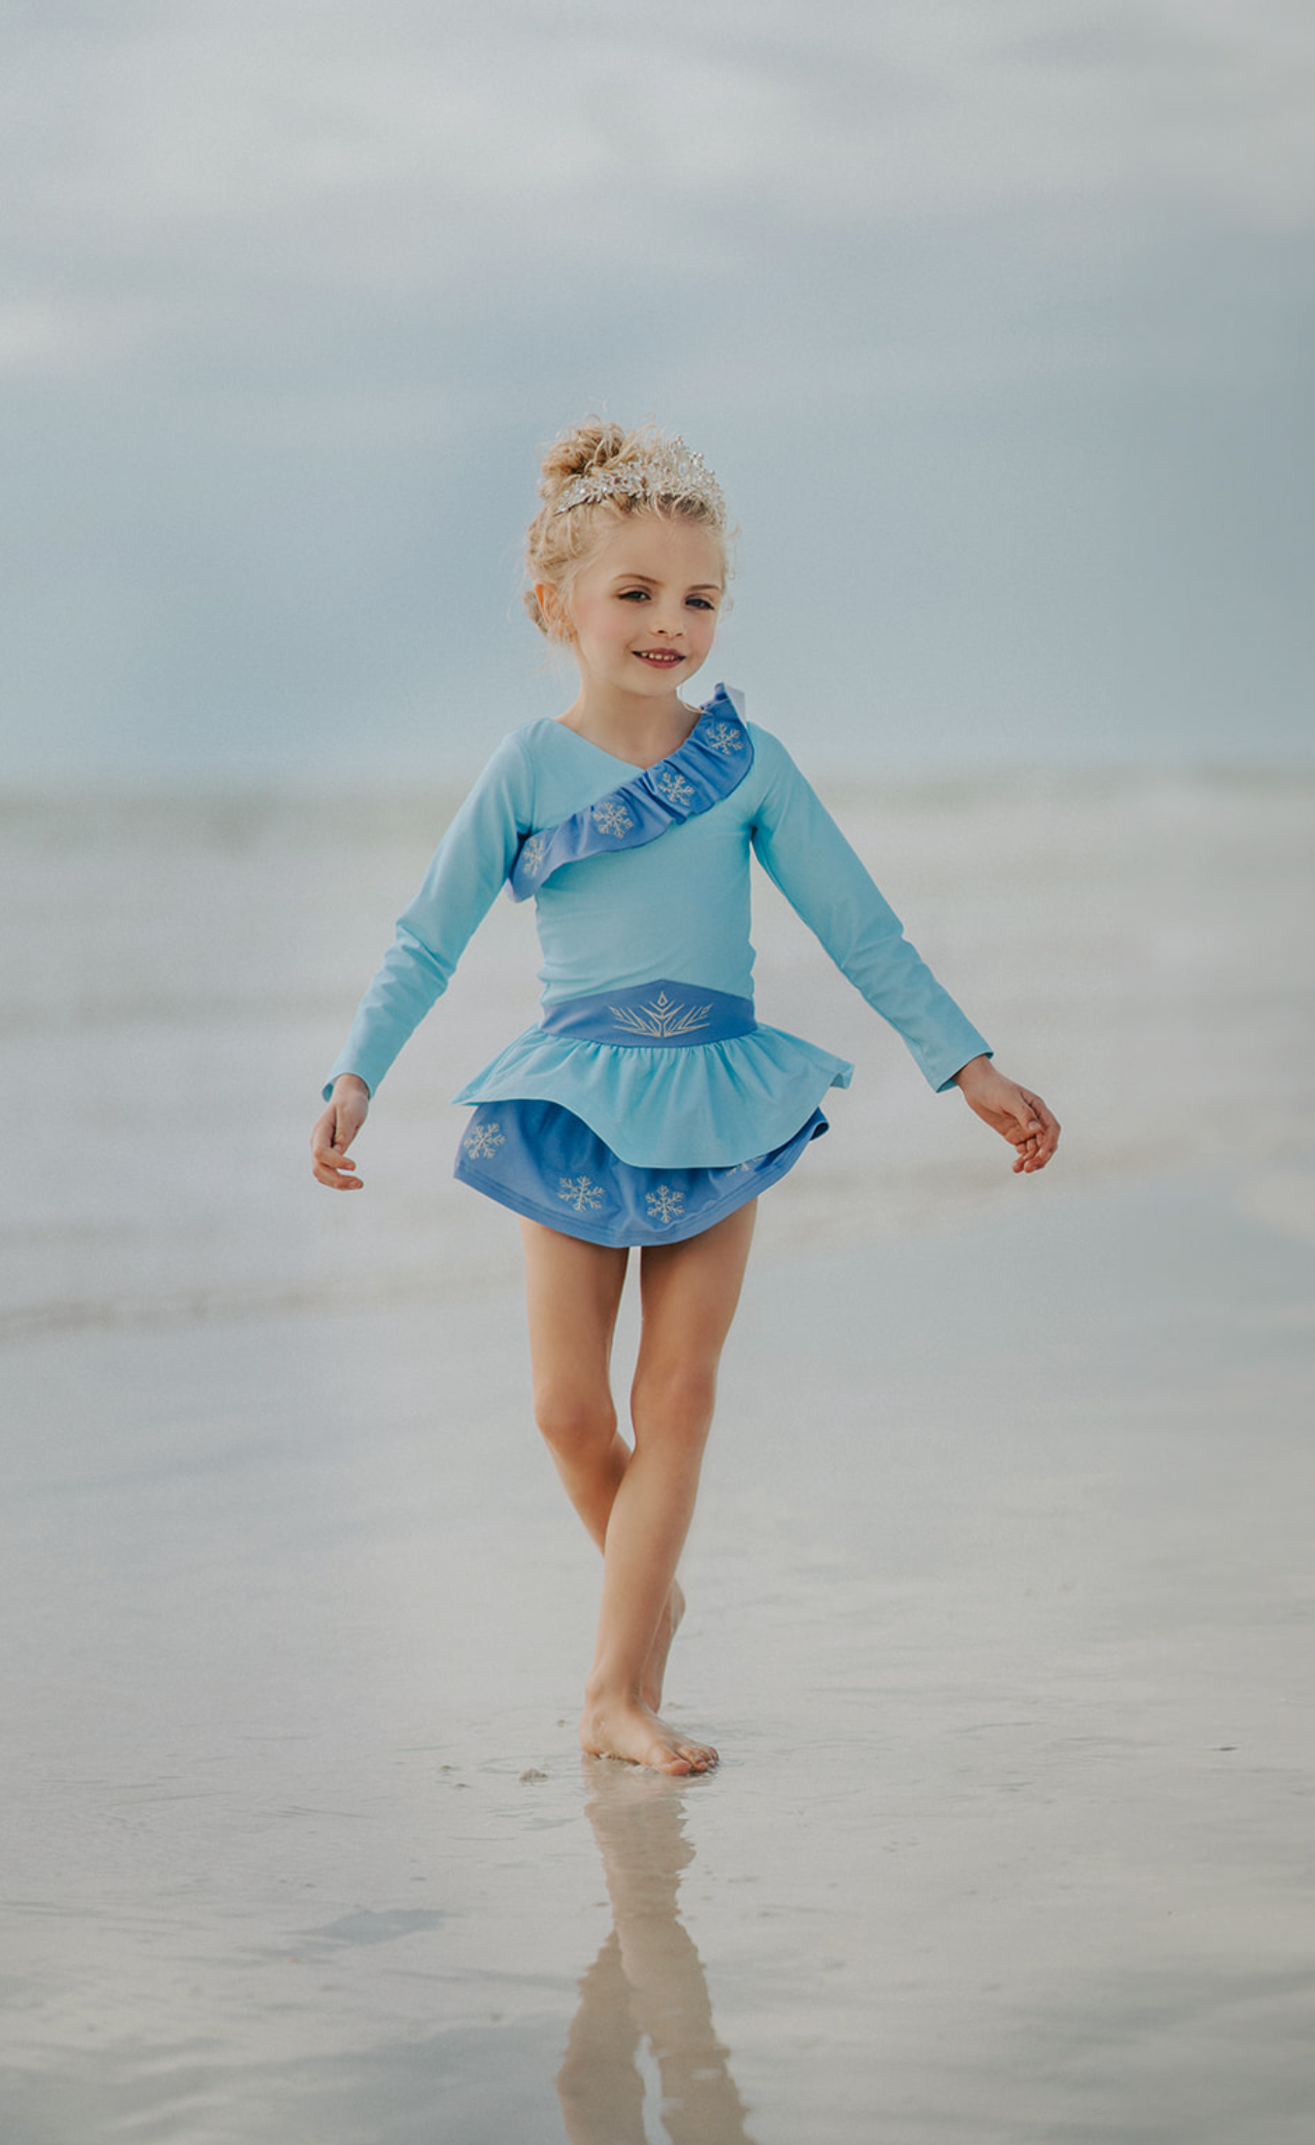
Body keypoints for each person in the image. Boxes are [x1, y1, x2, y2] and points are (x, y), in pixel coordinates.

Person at [311, 420, 1059, 1778]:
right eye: (638, 592)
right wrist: (357, 1073)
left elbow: (863, 929)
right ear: (558, 604)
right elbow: (428, 935)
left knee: (680, 1391)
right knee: (566, 1410)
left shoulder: (748, 763)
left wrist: (969, 1066)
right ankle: (646, 1590)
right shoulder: (526, 767)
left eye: (699, 598)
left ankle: (613, 1695)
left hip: (721, 1096)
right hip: (571, 1102)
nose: (672, 623)